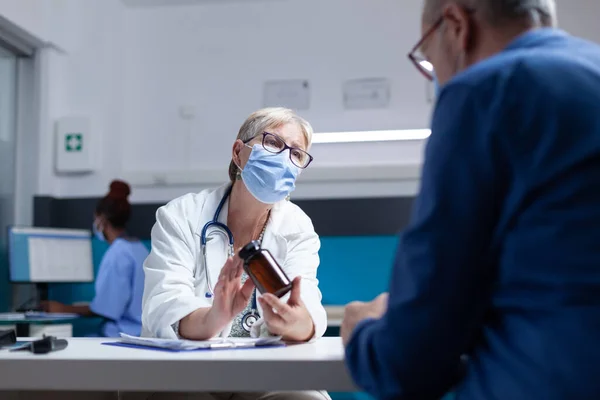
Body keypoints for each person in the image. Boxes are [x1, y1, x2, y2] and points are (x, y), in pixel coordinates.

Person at [342, 0, 600, 399]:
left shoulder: (484, 90)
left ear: (457, 23)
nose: (437, 79)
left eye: (428, 61)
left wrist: (363, 331)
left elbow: (408, 361)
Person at [139, 107, 328, 400]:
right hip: (189, 372)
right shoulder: (182, 215)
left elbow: (307, 306)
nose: (283, 159)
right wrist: (215, 316)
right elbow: (164, 305)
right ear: (238, 153)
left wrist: (295, 323)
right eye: (273, 143)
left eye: (297, 154)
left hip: (267, 374)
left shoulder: (297, 226)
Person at [42, 180, 149, 338]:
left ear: (101, 220)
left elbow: (106, 309)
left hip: (122, 336)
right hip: (141, 332)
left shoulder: (119, 253)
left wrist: (62, 309)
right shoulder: (139, 248)